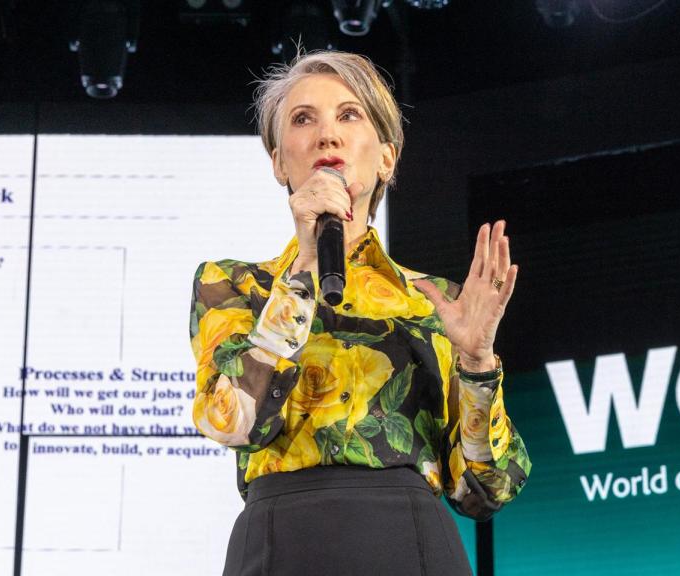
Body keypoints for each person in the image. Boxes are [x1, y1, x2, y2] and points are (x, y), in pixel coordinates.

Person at [187, 49, 531, 575]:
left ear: (387, 157)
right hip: (281, 543)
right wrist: (302, 271)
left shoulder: (435, 300)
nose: (327, 136)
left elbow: (484, 491)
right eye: (304, 120)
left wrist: (478, 362)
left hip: (412, 544)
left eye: (349, 115)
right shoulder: (231, 284)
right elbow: (230, 421)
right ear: (280, 160)